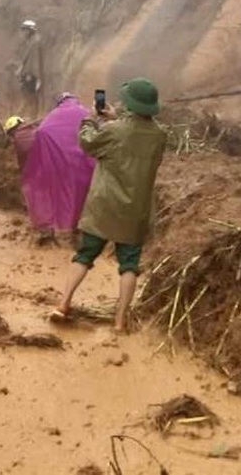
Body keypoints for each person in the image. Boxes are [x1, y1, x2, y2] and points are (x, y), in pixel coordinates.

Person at [52, 79, 167, 333]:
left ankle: (63, 304)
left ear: (128, 103)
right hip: (135, 210)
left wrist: (91, 119)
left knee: (84, 255)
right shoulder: (160, 136)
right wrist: (116, 119)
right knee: (129, 265)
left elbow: (87, 143)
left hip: (103, 207)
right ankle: (119, 322)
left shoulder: (114, 130)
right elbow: (138, 137)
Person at [21, 93, 95, 239]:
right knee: (82, 197)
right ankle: (79, 230)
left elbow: (42, 132)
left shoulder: (53, 115)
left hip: (58, 166)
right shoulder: (88, 114)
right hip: (83, 166)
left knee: (60, 197)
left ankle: (62, 229)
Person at [16, 19, 45, 119]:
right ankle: (28, 118)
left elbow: (35, 61)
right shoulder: (30, 42)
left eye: (25, 30)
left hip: (31, 76)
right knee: (29, 99)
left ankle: (26, 119)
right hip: (27, 75)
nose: (23, 32)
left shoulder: (35, 42)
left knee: (29, 99)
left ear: (30, 30)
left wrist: (37, 78)